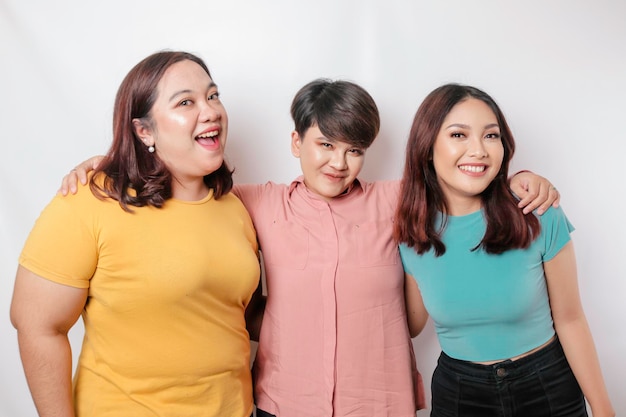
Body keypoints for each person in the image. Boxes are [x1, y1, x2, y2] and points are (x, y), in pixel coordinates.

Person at [59, 79, 560, 417]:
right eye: (325, 144)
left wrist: (523, 178)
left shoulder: (396, 201)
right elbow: (175, 181)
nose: (339, 163)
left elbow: (460, 175)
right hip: (283, 403)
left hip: (381, 404)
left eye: (355, 150)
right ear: (296, 142)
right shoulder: (252, 204)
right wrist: (106, 163)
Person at [10, 51, 261, 417]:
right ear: (144, 130)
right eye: (186, 102)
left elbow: (238, 314)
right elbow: (36, 324)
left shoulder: (234, 208)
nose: (210, 111)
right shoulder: (91, 199)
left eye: (213, 96)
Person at [396, 83, 614, 417]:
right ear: (427, 147)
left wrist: (603, 409)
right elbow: (412, 325)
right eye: (458, 135)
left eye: (491, 135)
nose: (479, 150)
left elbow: (570, 320)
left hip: (546, 383)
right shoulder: (412, 234)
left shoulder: (538, 212)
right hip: (459, 394)